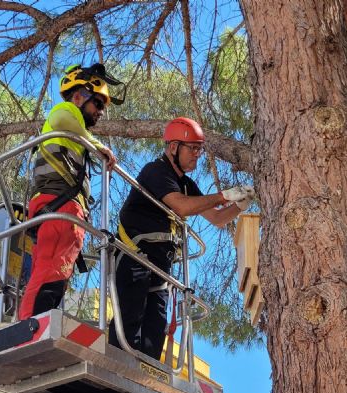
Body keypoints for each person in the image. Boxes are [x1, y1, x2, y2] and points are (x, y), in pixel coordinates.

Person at [108, 116, 254, 359]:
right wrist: (224, 195)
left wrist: (240, 206)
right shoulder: (156, 171)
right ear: (173, 147)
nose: (197, 154)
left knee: (156, 329)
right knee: (129, 318)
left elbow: (217, 219)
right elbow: (182, 207)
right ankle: (116, 374)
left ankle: (145, 382)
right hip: (136, 256)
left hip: (161, 266)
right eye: (193, 148)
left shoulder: (186, 184)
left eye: (200, 148)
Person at [19, 63, 118, 320]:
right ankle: (31, 328)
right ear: (78, 96)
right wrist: (99, 147)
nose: (101, 112)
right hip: (58, 204)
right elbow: (64, 119)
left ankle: (39, 323)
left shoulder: (75, 134)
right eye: (98, 104)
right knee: (49, 270)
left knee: (57, 273)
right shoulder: (65, 111)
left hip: (65, 207)